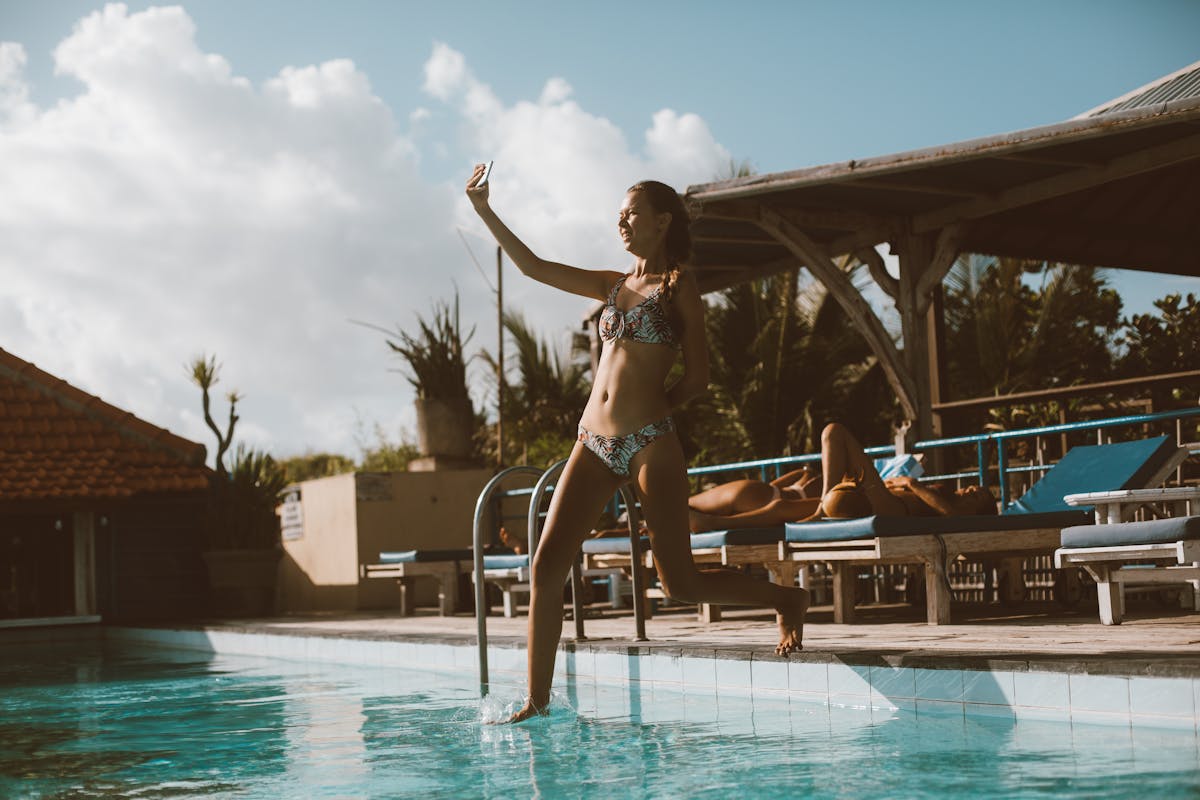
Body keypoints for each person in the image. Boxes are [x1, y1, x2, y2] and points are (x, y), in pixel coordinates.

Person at [467, 167, 810, 723]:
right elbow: (535, 268)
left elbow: (697, 379)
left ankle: (785, 600)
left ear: (662, 221)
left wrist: (650, 415)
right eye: (619, 215)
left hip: (650, 442)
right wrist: (484, 209)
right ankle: (536, 700)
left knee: (679, 581)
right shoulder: (611, 285)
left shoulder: (679, 287)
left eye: (631, 213)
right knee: (547, 564)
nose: (621, 222)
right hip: (592, 441)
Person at [686, 422, 997, 532]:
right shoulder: (948, 494)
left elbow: (952, 517)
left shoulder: (954, 509)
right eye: (975, 487)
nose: (972, 489)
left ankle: (823, 504)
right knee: (780, 512)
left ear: (978, 511)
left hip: (891, 509)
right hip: (871, 499)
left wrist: (911, 483)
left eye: (979, 495)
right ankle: (715, 524)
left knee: (834, 431)